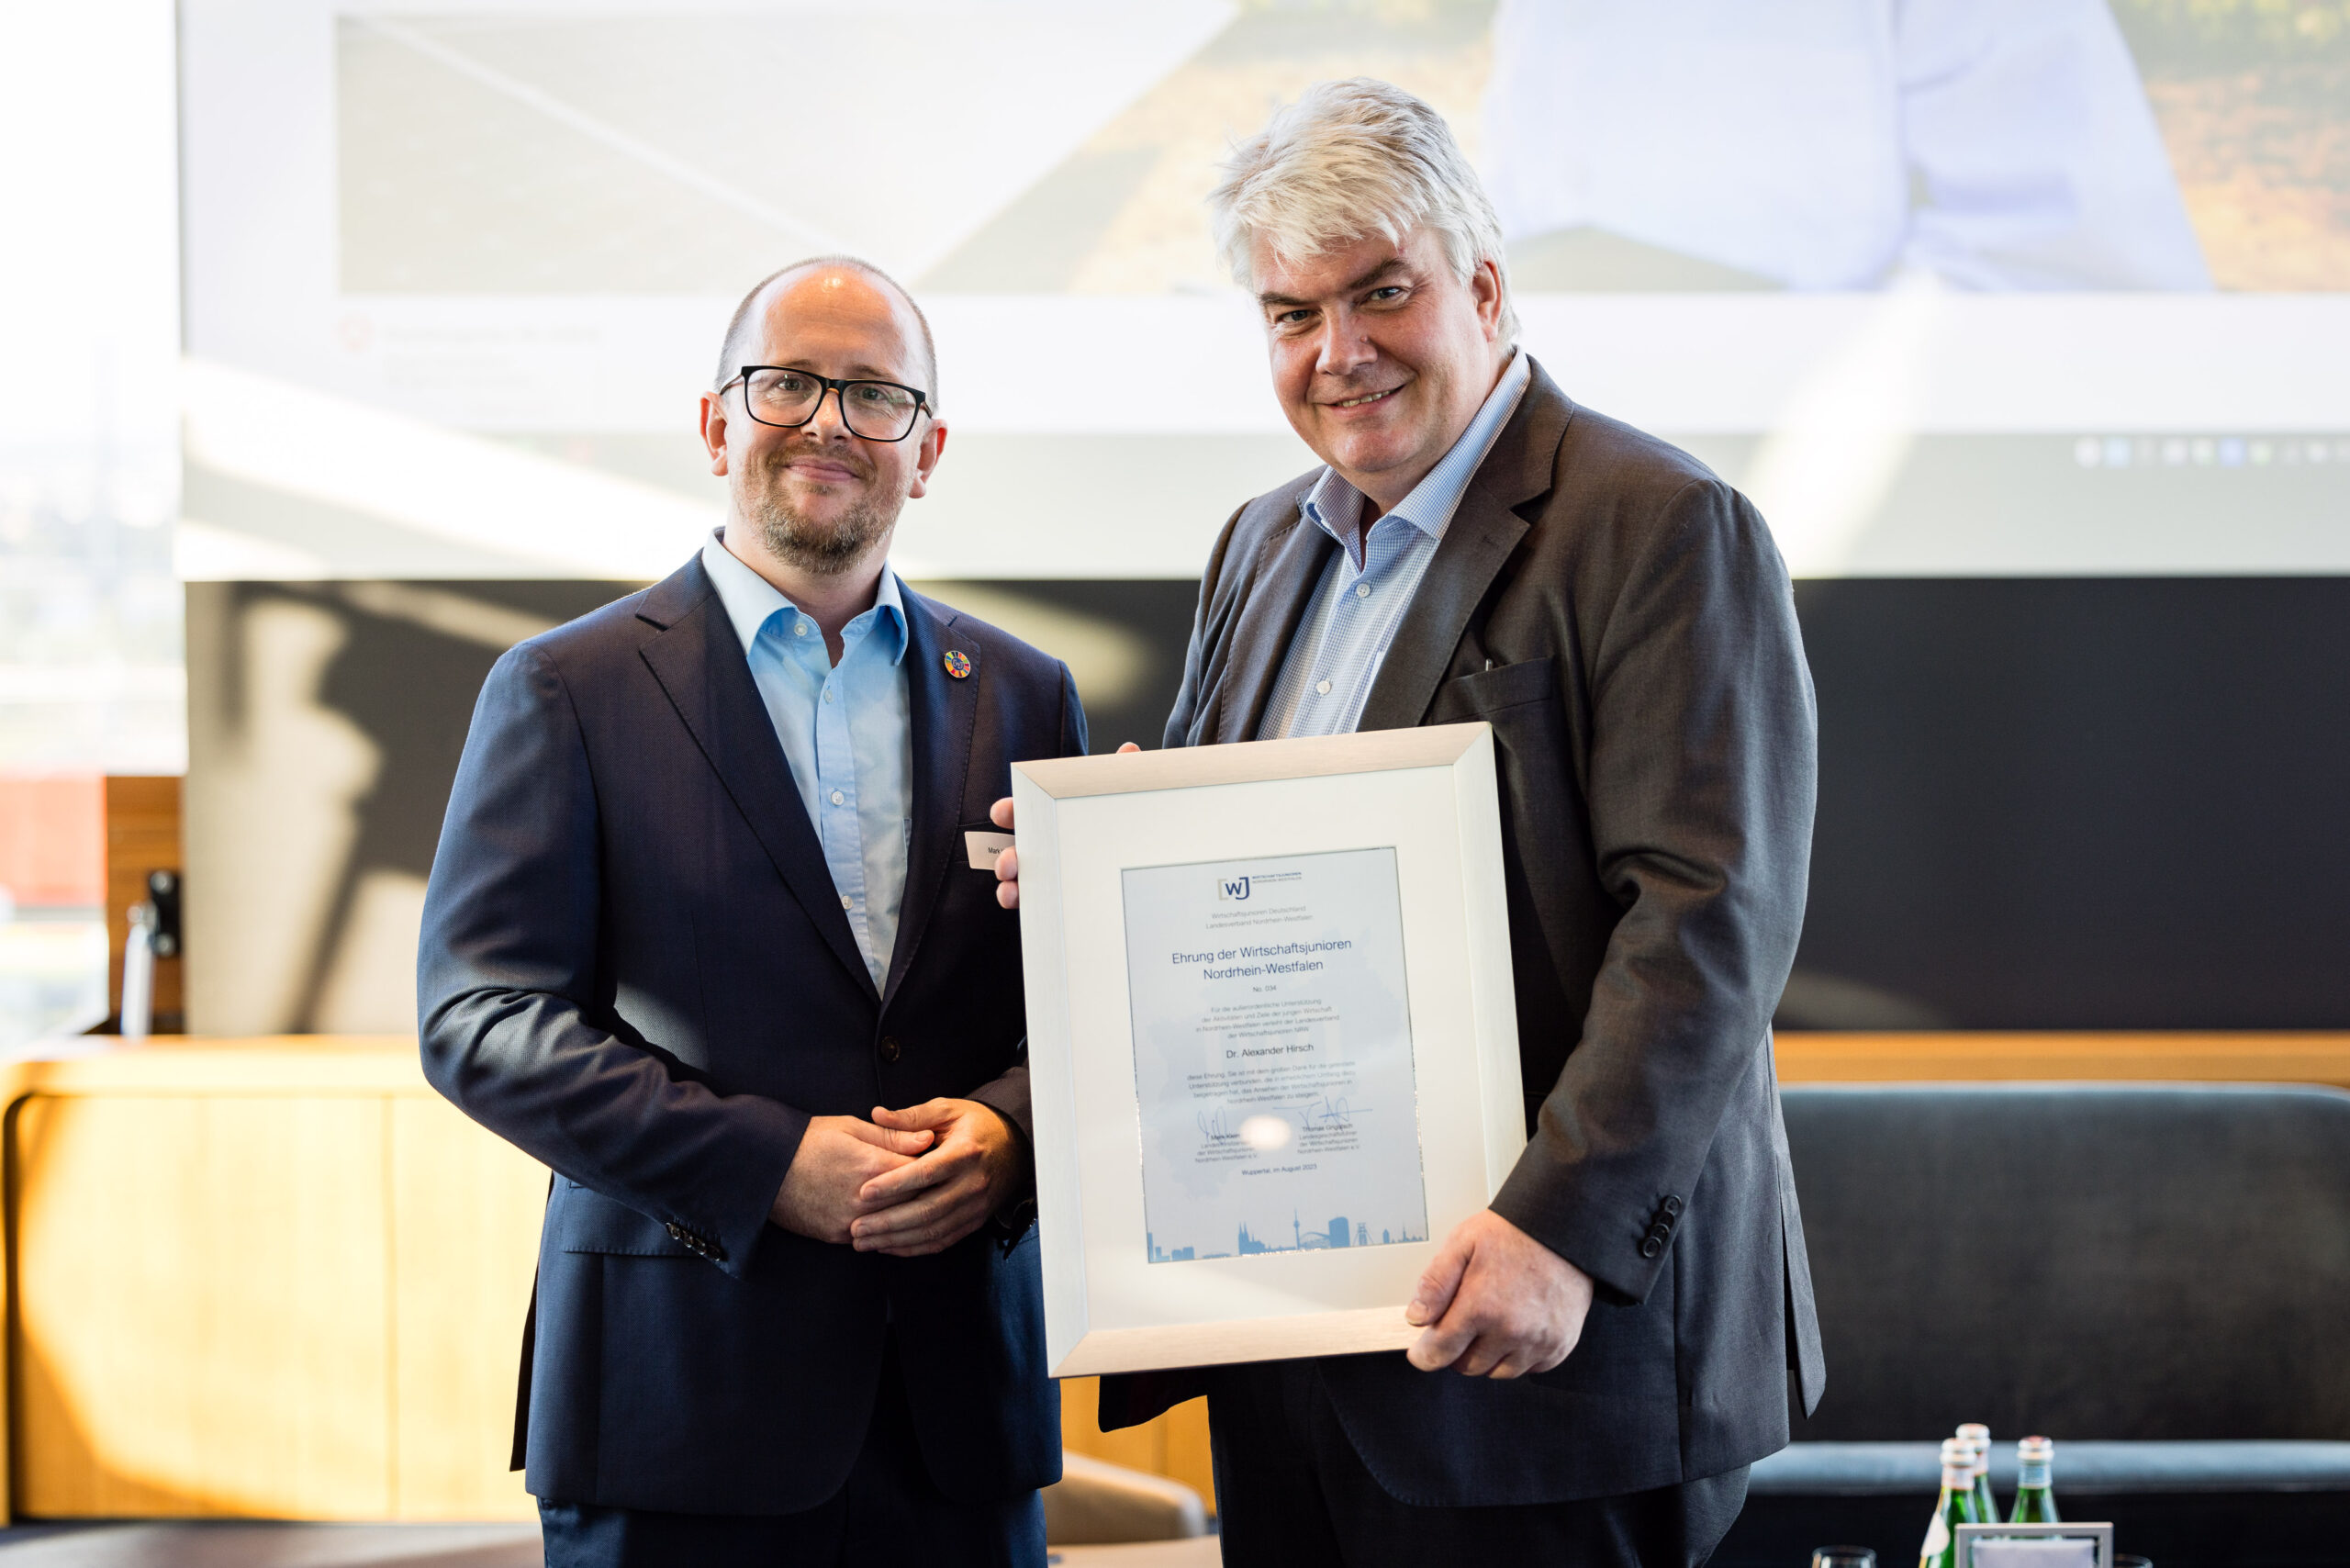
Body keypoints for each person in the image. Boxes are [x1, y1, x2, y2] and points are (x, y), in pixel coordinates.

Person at [992, 80, 1824, 1566]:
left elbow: (1707, 921)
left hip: (1541, 1351)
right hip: (1291, 1338)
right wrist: (1110, 869)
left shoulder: (1658, 523)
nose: (1339, 351)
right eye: (1291, 313)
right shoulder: (1262, 545)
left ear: (1484, 288)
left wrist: (1559, 1233)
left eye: (1382, 292)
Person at [417, 257, 1085, 1567]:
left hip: (961, 1415)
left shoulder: (1024, 693)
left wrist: (1010, 1134)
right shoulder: (565, 688)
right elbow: (479, 1020)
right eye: (788, 384)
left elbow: (1080, 1004)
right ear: (717, 423)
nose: (830, 422)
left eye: (875, 395)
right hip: (676, 1408)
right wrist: (767, 1163)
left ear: (928, 450)